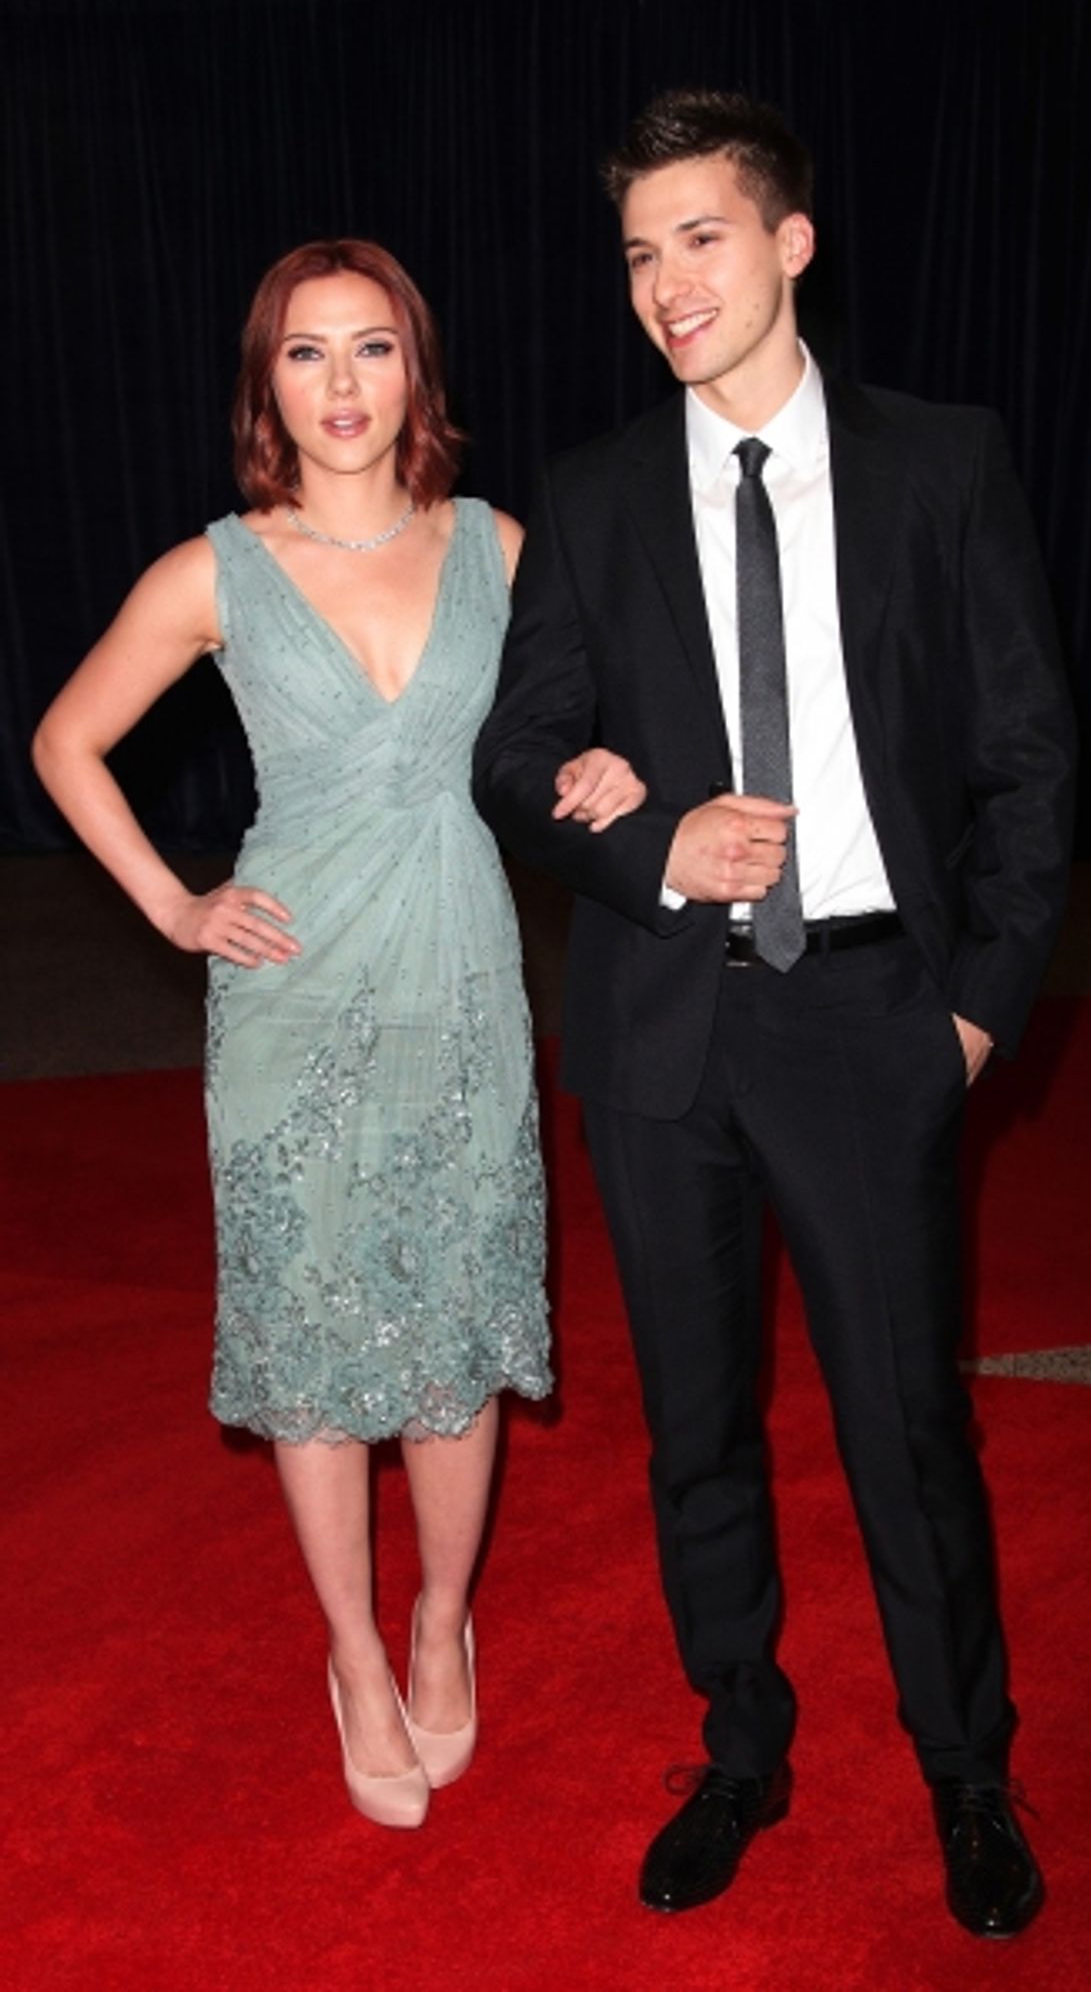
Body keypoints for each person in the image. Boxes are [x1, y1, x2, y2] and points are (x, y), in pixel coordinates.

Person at [473, 91, 1076, 1932]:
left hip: (873, 1018)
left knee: (908, 1427)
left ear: (790, 242)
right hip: (663, 1034)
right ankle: (741, 1743)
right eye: (639, 253)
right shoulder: (590, 493)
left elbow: (1032, 765)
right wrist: (651, 839)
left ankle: (965, 1767)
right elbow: (514, 758)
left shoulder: (941, 464)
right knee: (697, 1428)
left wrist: (970, 1020)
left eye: (702, 238)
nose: (667, 282)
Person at [32, 237, 643, 1831]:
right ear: (268, 384)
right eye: (306, 353)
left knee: (453, 1328)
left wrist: (607, 767)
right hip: (291, 995)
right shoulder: (214, 572)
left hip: (459, 979)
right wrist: (176, 908)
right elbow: (66, 740)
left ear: (414, 369)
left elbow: (589, 724)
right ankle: (357, 1653)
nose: (343, 382)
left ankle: (441, 1619)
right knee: (312, 1340)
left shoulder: (495, 546)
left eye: (372, 346)